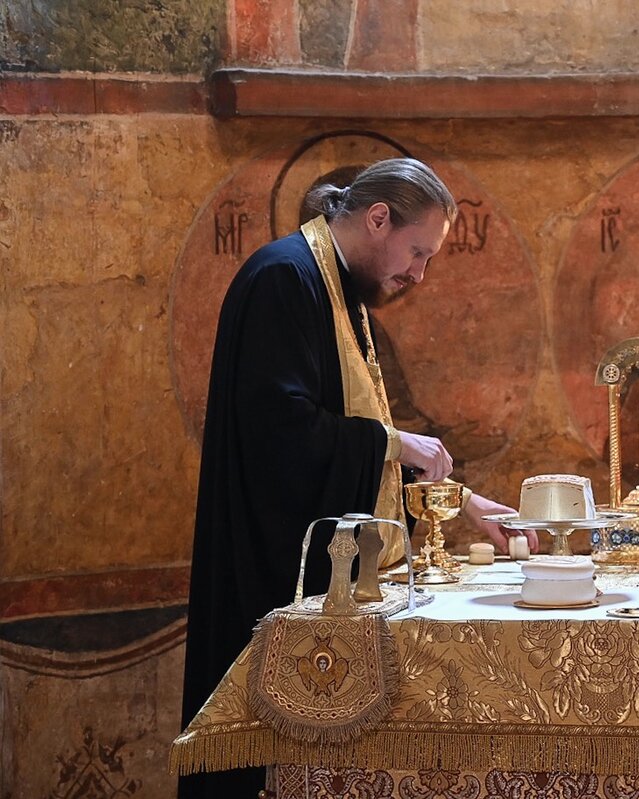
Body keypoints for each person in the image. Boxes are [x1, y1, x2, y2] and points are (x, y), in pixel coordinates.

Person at [180, 158, 537, 799]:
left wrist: (456, 502)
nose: (418, 274)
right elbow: (283, 436)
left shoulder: (338, 289)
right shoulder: (284, 280)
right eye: (417, 251)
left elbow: (346, 455)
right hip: (272, 578)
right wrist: (397, 442)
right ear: (378, 219)